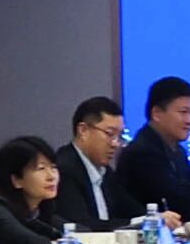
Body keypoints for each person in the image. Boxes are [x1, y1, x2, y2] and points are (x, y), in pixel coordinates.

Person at [109, 77, 190, 224]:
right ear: (157, 113)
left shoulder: (177, 150)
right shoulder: (143, 152)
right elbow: (182, 200)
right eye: (183, 112)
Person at [48, 98, 141, 232]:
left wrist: (153, 218)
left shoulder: (105, 171)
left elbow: (130, 209)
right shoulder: (64, 168)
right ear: (83, 130)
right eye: (110, 134)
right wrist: (138, 223)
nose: (115, 144)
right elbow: (83, 225)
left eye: (120, 136)